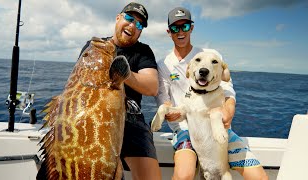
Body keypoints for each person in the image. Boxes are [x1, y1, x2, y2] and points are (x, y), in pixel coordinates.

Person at [155, 7, 268, 180]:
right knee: (184, 175)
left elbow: (229, 92)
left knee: (259, 177)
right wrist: (169, 112)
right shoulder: (164, 65)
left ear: (191, 28)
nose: (180, 32)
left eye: (184, 26)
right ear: (168, 31)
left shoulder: (212, 56)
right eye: (175, 28)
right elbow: (165, 100)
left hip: (218, 128)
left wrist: (227, 113)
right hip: (186, 128)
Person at [79, 2, 161, 180]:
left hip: (132, 120)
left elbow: (152, 86)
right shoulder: (94, 46)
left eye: (139, 24)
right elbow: (78, 86)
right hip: (94, 119)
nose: (133, 25)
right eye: (129, 19)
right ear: (118, 18)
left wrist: (125, 74)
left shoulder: (143, 51)